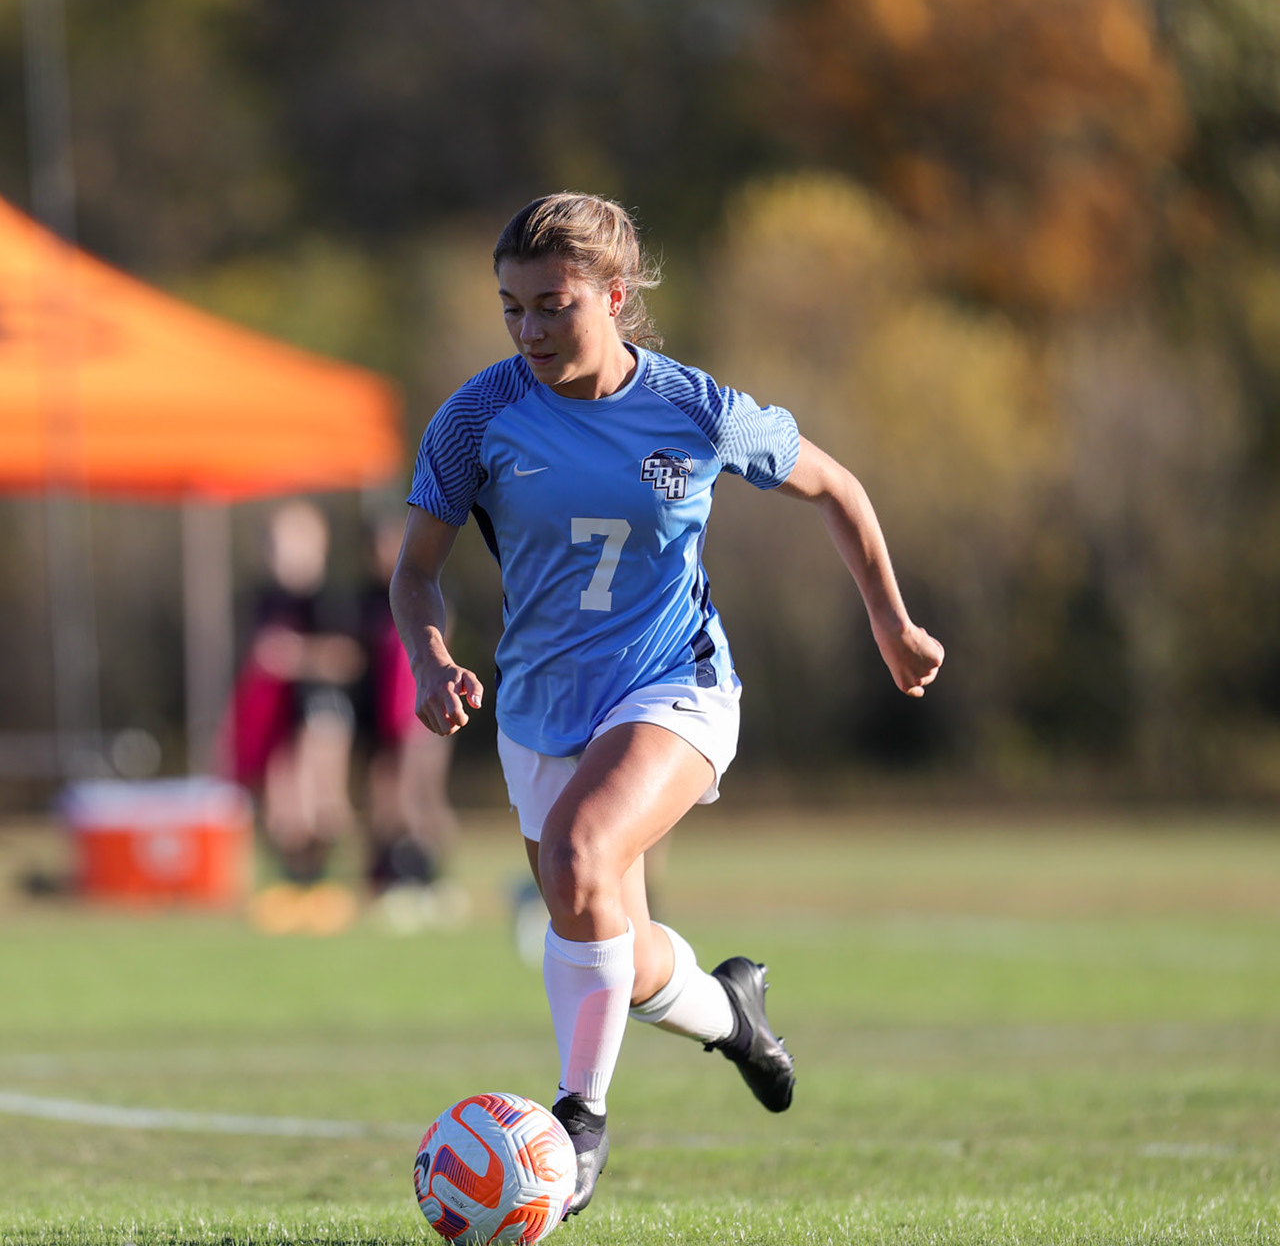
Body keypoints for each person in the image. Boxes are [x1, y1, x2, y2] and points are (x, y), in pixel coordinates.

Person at [389, 193, 943, 1217]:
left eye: (552, 305)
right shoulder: (479, 415)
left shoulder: (697, 410)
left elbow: (834, 486)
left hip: (675, 685)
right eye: (511, 308)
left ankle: (577, 1120)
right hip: (539, 711)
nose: (530, 330)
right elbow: (415, 570)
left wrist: (891, 622)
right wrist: (429, 661)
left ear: (614, 293)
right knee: (613, 936)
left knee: (579, 853)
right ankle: (732, 1012)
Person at [224, 501, 364, 932]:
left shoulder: (331, 599)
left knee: (323, 803)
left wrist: (298, 656)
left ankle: (322, 885)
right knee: (284, 807)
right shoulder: (262, 600)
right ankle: (291, 885)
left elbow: (349, 657)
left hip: (321, 711)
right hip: (276, 719)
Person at [358, 516, 458, 914]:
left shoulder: (429, 597)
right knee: (387, 800)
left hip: (423, 719)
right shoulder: (371, 601)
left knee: (423, 798)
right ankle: (392, 876)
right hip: (384, 720)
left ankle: (434, 879)